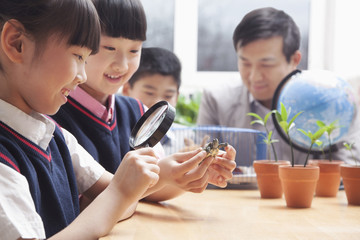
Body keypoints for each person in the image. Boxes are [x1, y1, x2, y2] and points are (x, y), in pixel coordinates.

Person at [0, 0, 162, 239]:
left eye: (85, 59)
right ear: (17, 43)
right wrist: (117, 194)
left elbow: (124, 199)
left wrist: (118, 194)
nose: (82, 76)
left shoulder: (53, 134)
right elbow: (118, 197)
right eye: (77, 56)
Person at [52, 0, 236, 203]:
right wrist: (165, 175)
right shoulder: (53, 113)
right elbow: (80, 205)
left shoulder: (139, 112)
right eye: (109, 48)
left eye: (134, 51)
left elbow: (150, 191)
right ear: (81, 45)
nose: (122, 65)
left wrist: (194, 172)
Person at [197, 7, 359, 165]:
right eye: (245, 63)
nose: (254, 76)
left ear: (294, 60)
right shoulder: (216, 100)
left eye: (266, 64)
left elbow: (349, 171)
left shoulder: (334, 102)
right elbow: (200, 167)